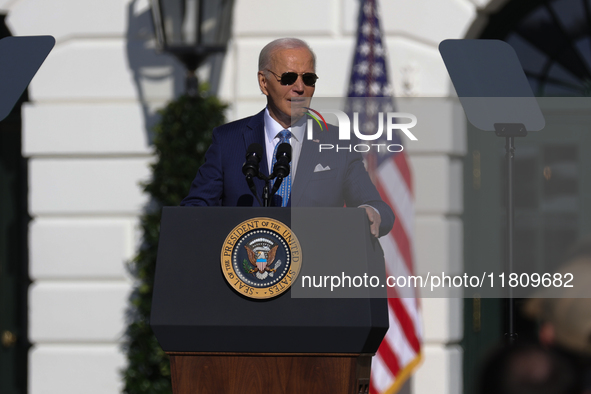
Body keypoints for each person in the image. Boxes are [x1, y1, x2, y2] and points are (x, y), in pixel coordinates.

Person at [181, 38, 394, 237]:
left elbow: (377, 206)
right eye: (289, 78)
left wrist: (371, 212)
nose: (300, 88)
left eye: (308, 79)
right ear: (264, 82)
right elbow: (195, 209)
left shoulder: (339, 142)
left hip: (316, 271)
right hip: (248, 268)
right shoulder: (228, 140)